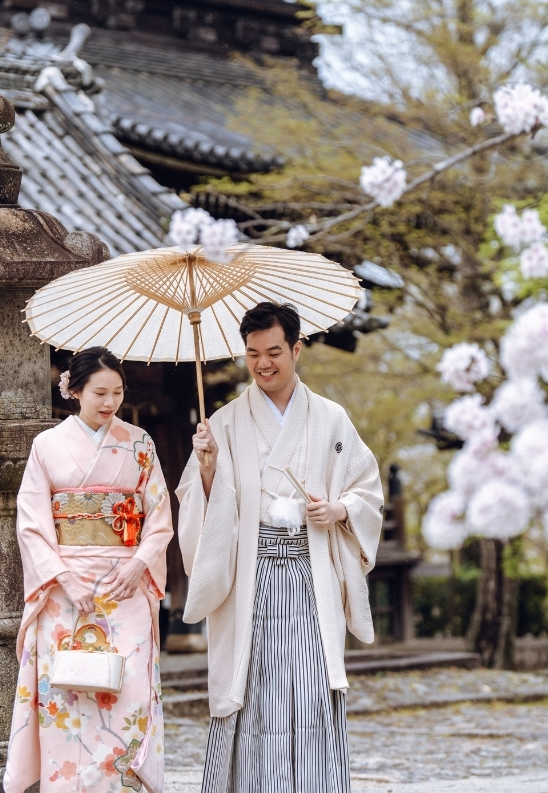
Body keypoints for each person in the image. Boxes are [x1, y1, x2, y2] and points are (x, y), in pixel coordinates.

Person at [175, 302, 384, 793]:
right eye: (252, 354)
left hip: (313, 575)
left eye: (274, 352)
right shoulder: (222, 424)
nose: (263, 364)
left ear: (296, 348)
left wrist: (337, 510)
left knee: (311, 687)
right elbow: (199, 507)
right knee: (254, 688)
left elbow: (368, 490)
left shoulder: (331, 419)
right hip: (253, 574)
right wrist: (207, 471)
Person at [3, 346, 172, 793]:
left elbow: (158, 518)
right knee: (67, 694)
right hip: (64, 591)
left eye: (117, 392)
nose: (109, 402)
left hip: (125, 588)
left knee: (129, 693)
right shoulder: (47, 446)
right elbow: (33, 523)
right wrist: (60, 576)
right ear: (74, 390)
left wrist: (139, 565)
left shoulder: (139, 444)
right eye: (100, 392)